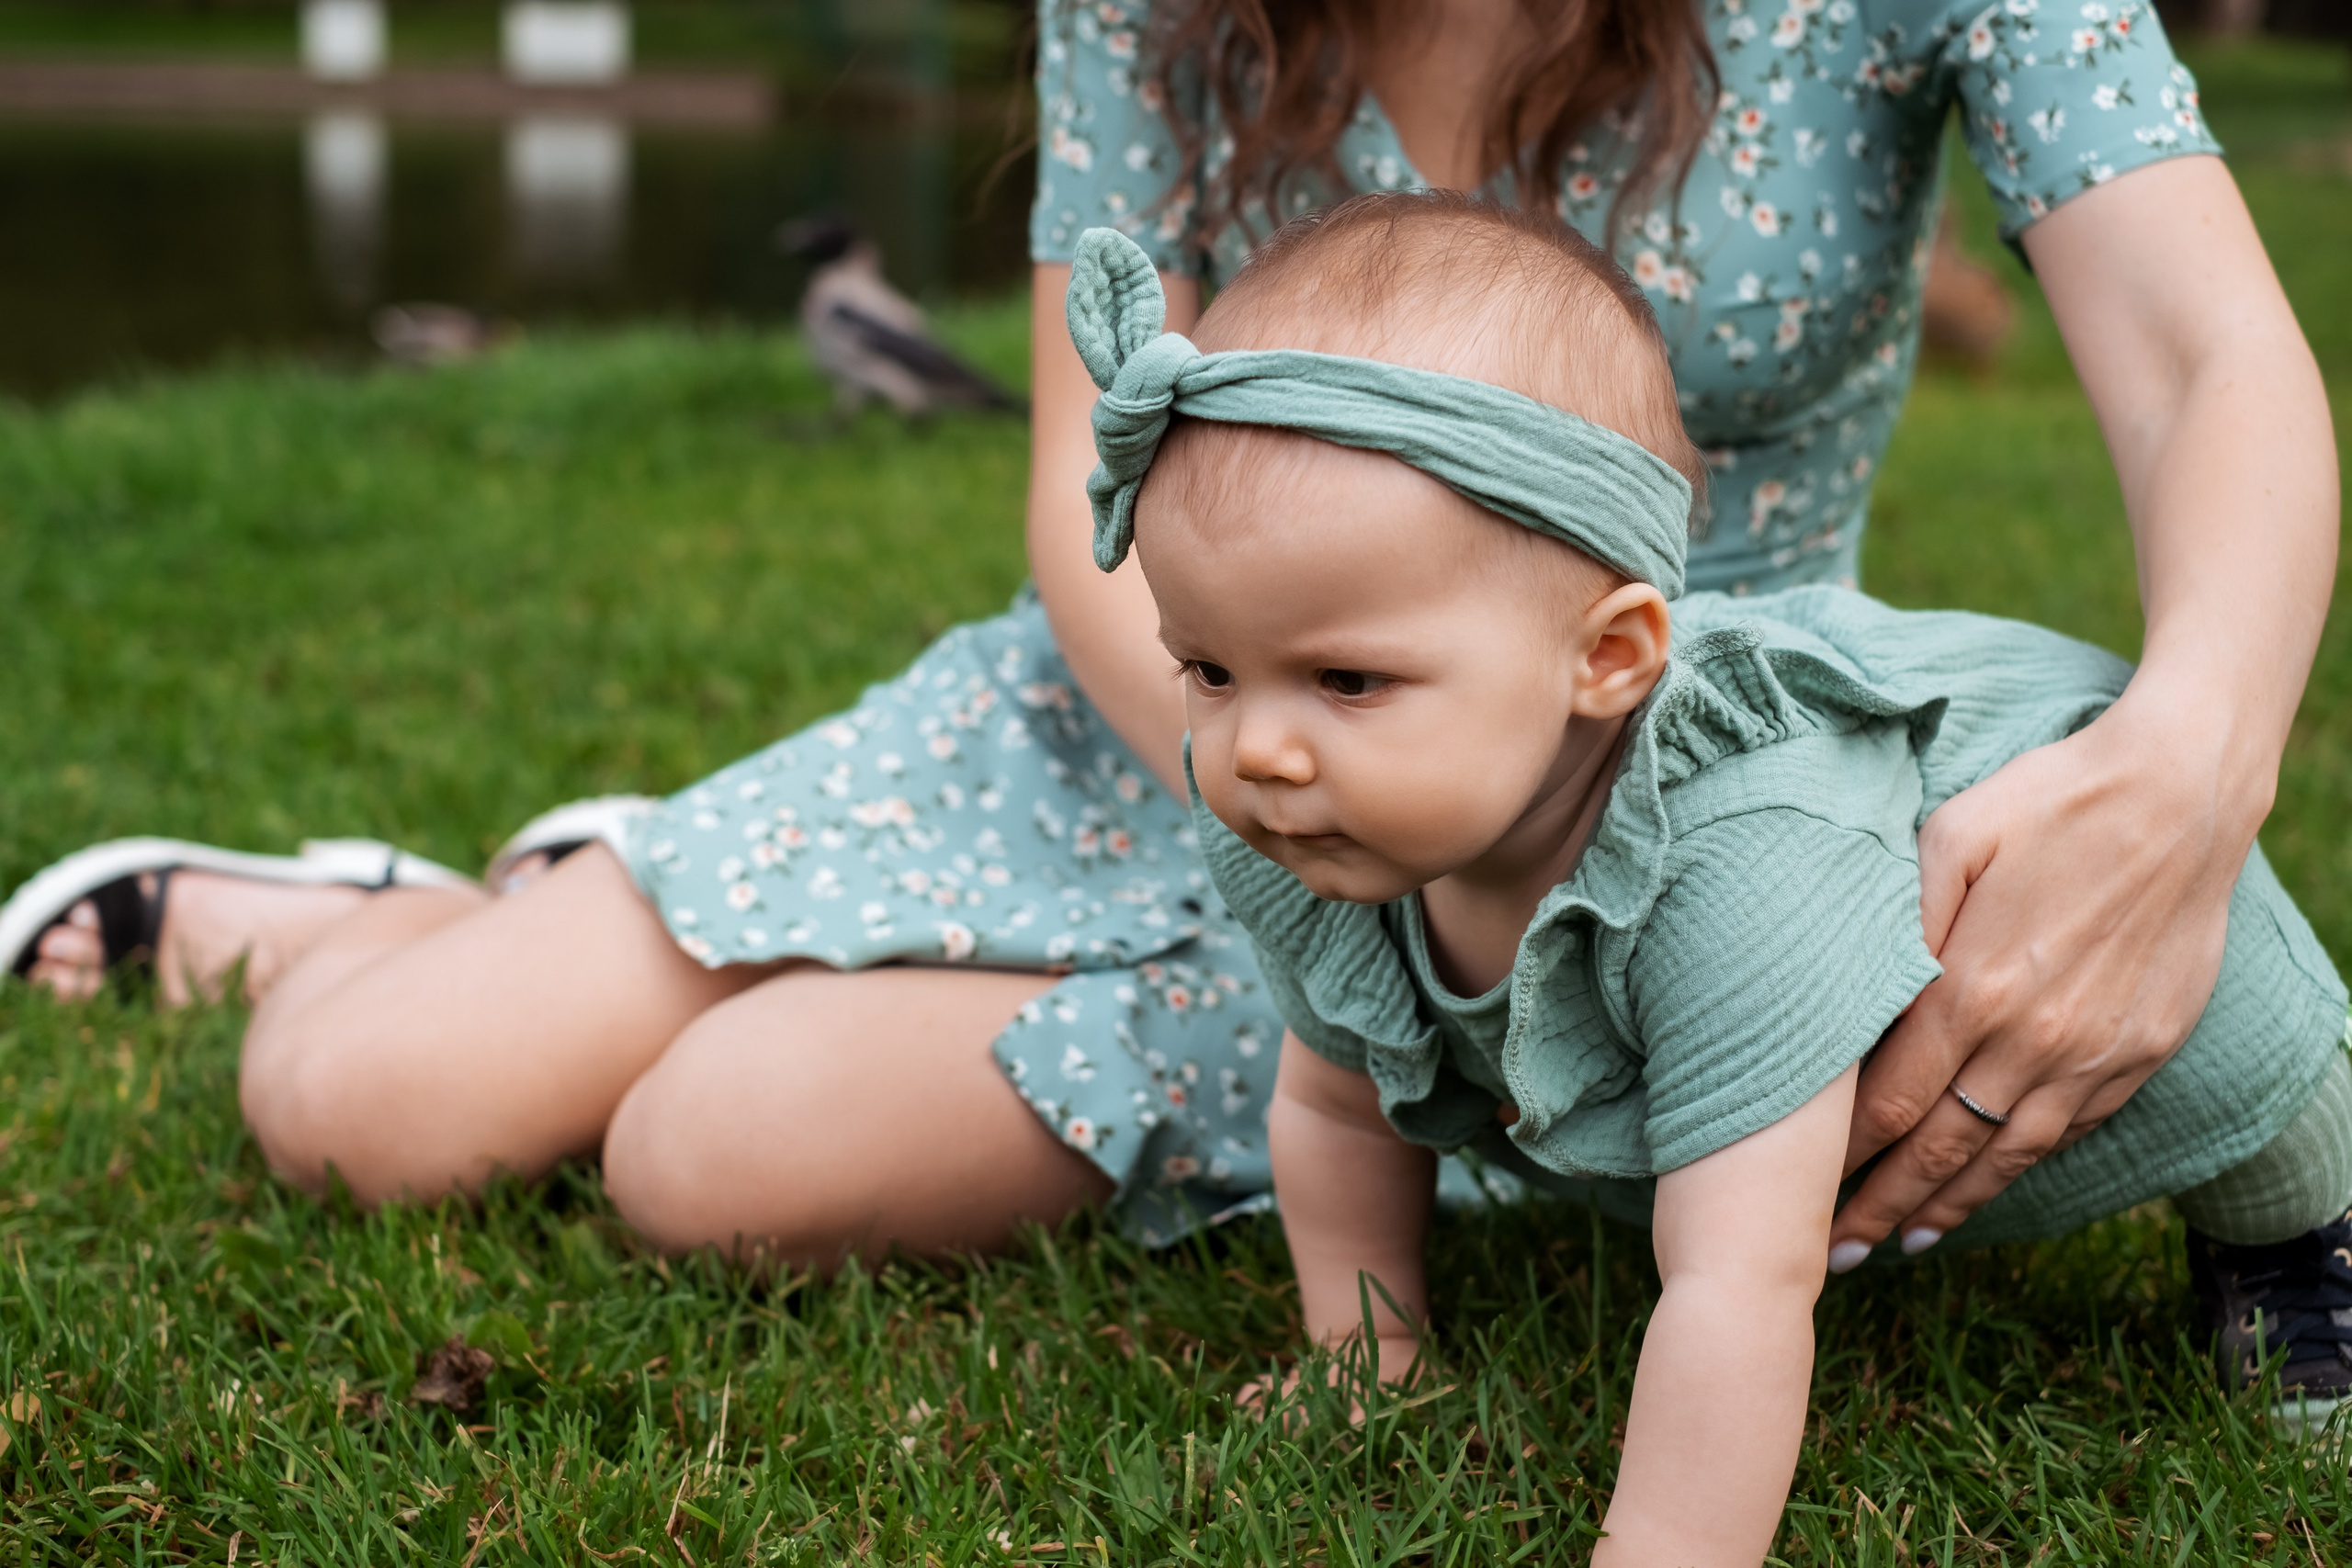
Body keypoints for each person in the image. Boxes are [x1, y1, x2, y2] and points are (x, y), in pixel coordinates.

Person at [1, 0, 2335, 1269]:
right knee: (356, 1108)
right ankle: (430, 903)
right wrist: (1270, 776)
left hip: (1626, 834)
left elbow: (2201, 358)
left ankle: (642, 911)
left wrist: (2189, 757)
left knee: (708, 1154)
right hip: (1168, 715)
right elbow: (1079, 480)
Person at [1086, 194, 2350, 1560]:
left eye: (1347, 679)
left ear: (1608, 658)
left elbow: (1741, 1282)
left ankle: (2300, 1250)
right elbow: (1336, 1102)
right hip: (1779, 1065)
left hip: (2082, 947)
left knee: (2264, 1101)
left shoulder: (1741, 857)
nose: (1258, 749)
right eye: (1210, 668)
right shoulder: (1318, 821)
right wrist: (1364, 1351)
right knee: (1715, 1176)